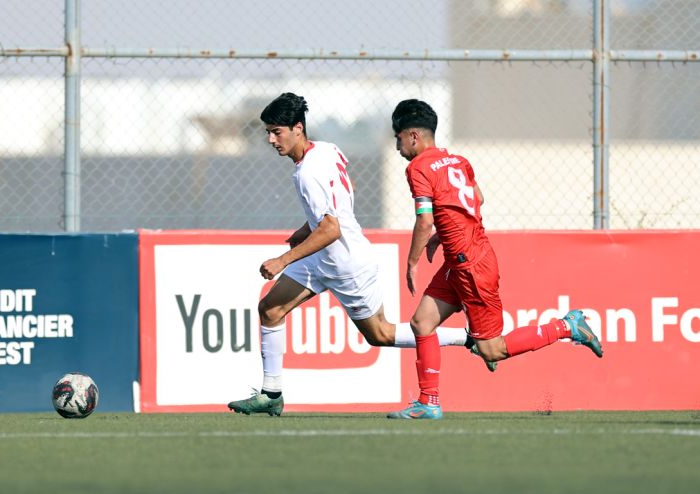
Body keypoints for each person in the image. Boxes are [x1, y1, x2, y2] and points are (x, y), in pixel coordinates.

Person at [227, 92, 482, 417]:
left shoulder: (308, 173)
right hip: (320, 257)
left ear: (297, 128)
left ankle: (468, 339)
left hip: (346, 263)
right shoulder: (327, 149)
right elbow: (346, 194)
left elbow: (332, 228)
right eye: (268, 132)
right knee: (270, 309)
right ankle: (271, 393)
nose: (270, 140)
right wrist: (307, 230)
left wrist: (283, 260)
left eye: (276, 132)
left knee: (380, 334)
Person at [387, 99, 603, 420]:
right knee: (422, 322)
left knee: (492, 349)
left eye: (398, 138)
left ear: (413, 136)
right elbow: (477, 198)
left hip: (470, 265)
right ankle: (428, 402)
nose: (397, 147)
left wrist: (412, 262)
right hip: (463, 259)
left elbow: (425, 219)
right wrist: (445, 234)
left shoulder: (417, 168)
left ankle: (566, 326)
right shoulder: (458, 161)